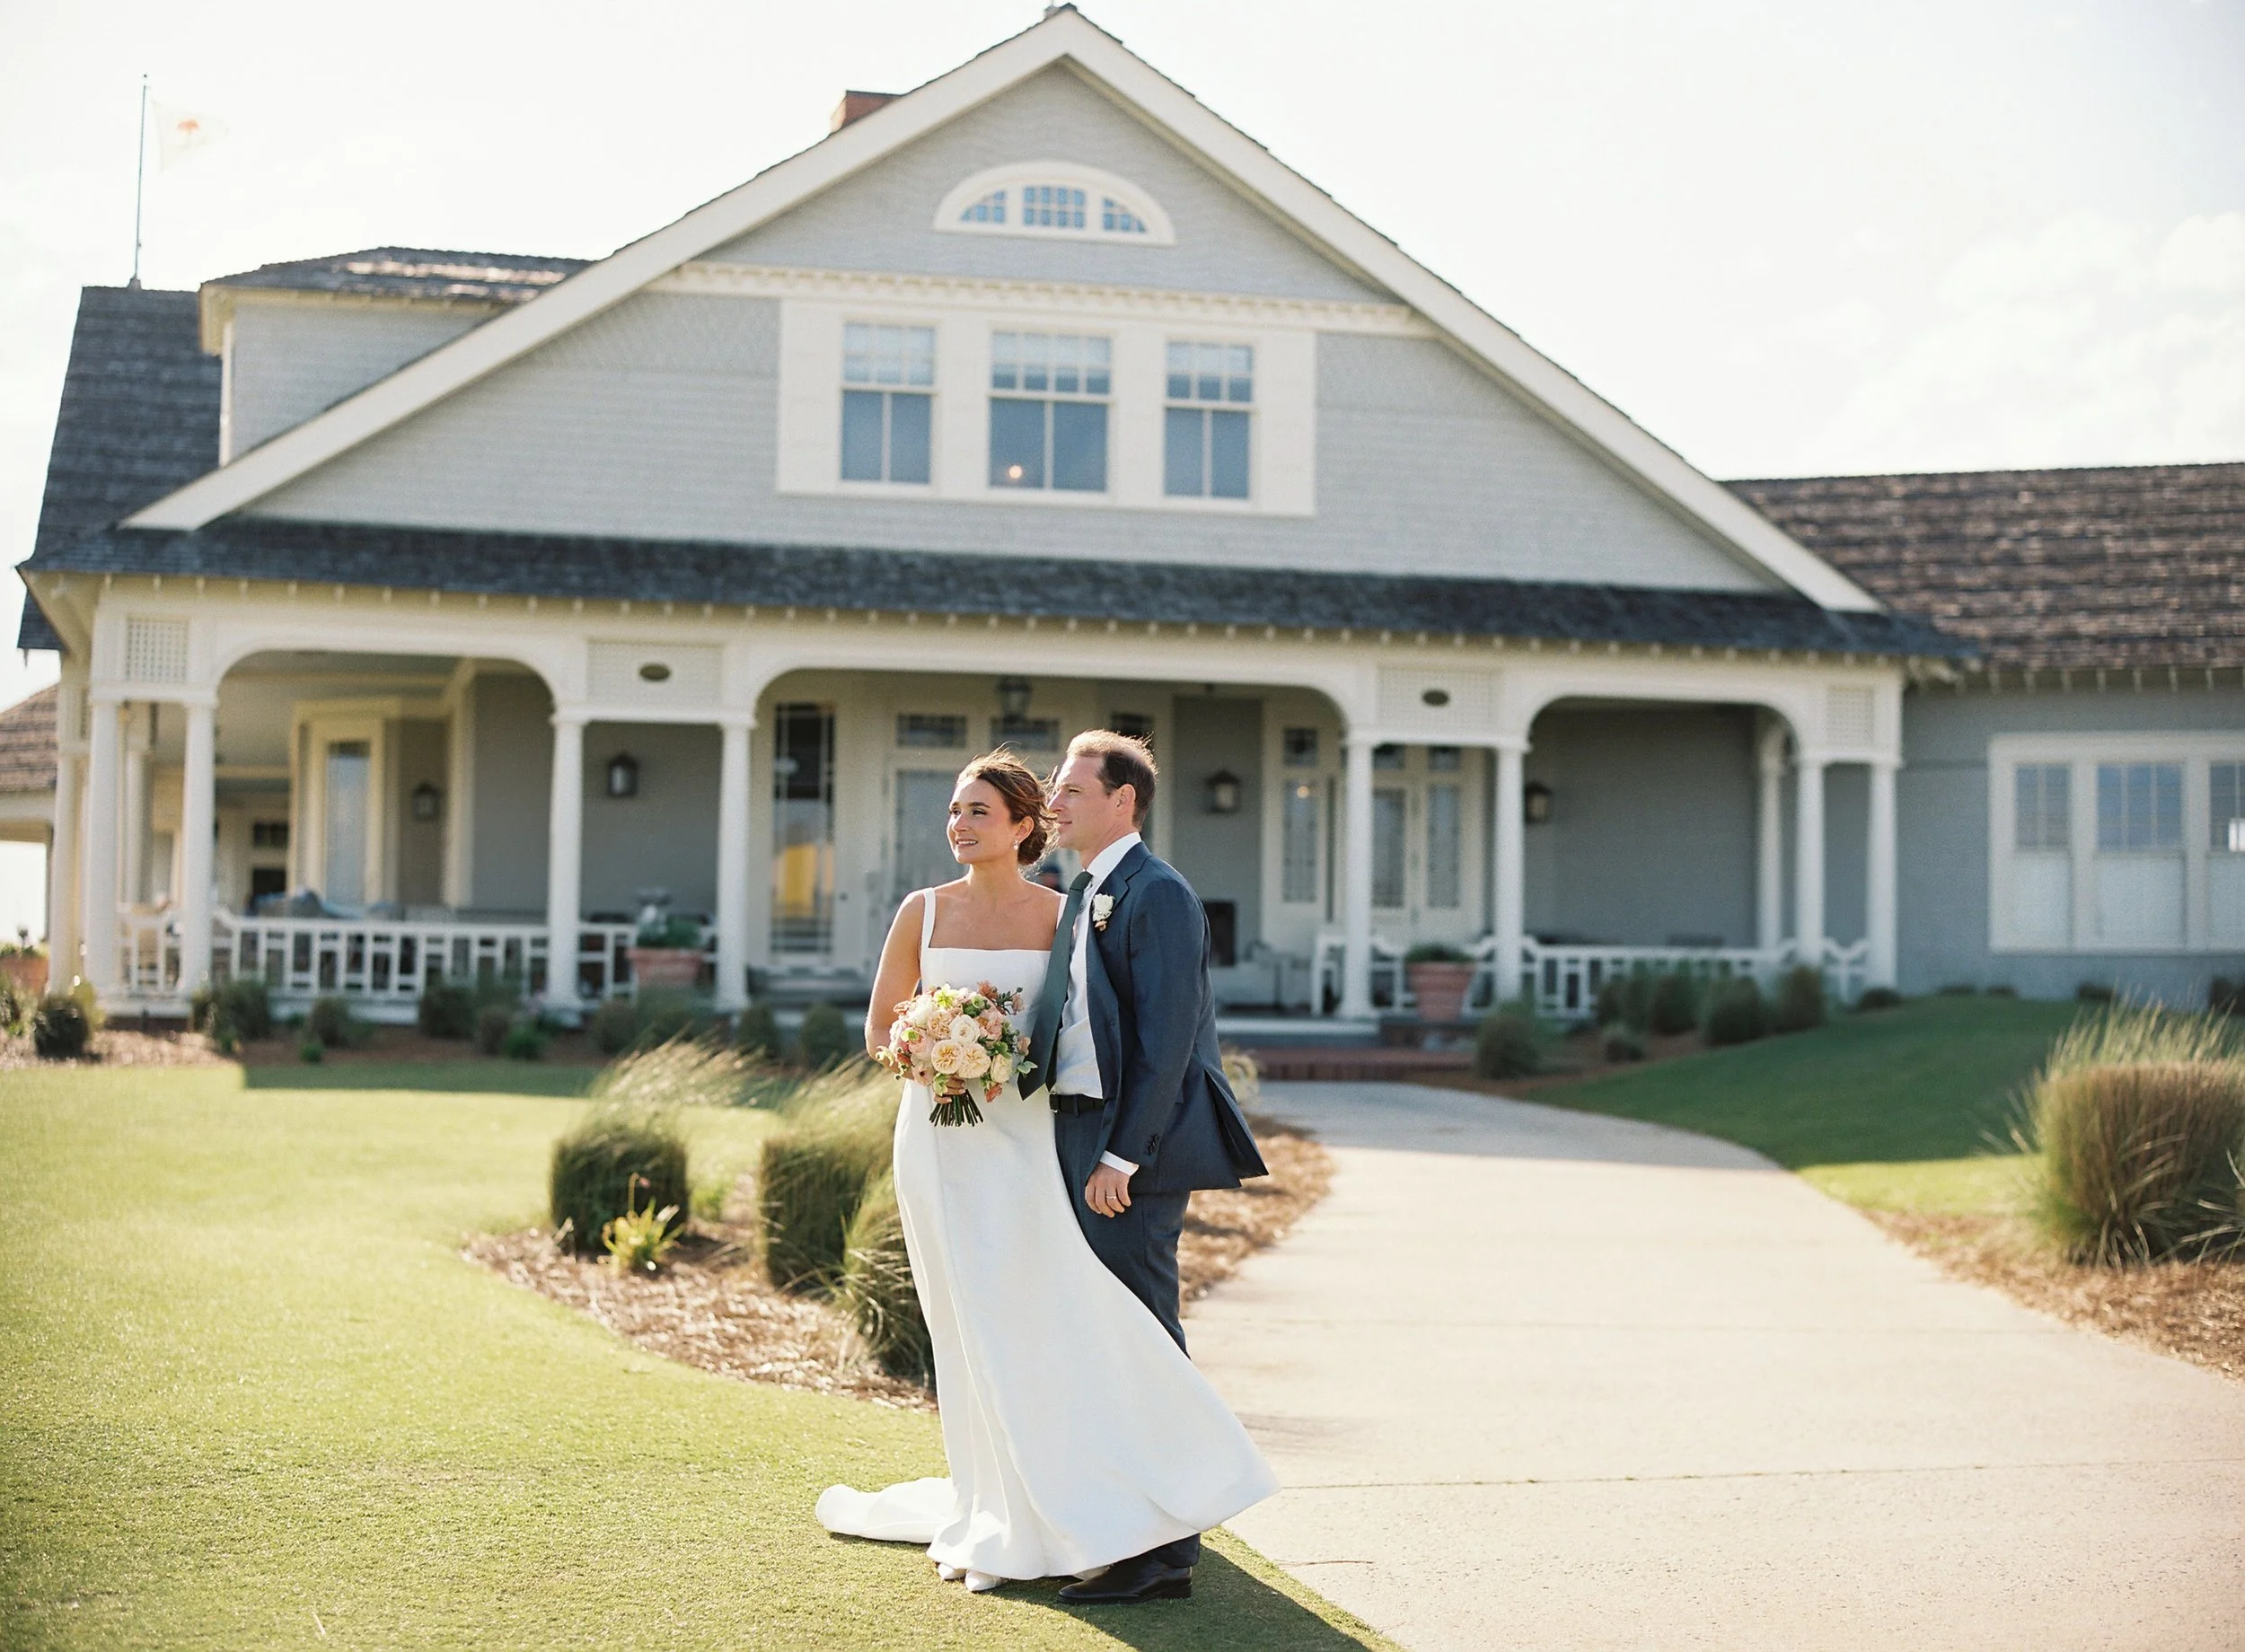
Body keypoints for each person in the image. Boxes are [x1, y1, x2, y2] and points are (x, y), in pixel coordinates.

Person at [814, 749, 1274, 1601]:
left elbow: (1117, 1030)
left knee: (1049, 1310)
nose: (959, 824)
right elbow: (883, 1029)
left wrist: (1011, 1070)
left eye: (978, 810)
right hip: (937, 1136)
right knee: (965, 1324)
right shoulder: (923, 911)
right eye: (954, 810)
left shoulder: (1070, 913)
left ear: (1023, 827)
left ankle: (1143, 1503)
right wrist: (933, 1051)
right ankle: (1004, 1494)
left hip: (1031, 1140)